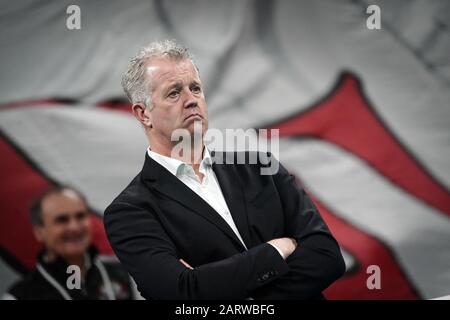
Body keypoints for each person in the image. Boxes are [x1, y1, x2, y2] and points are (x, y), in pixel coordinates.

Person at [104, 40, 345, 300]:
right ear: (143, 114)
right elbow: (183, 294)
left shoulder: (261, 167)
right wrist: (278, 249)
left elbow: (327, 258)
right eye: (174, 93)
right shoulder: (129, 211)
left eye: (195, 88)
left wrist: (225, 290)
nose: (191, 100)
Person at [4, 185, 134, 300]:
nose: (74, 227)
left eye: (80, 216)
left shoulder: (128, 273)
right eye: (61, 220)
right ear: (39, 232)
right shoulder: (20, 296)